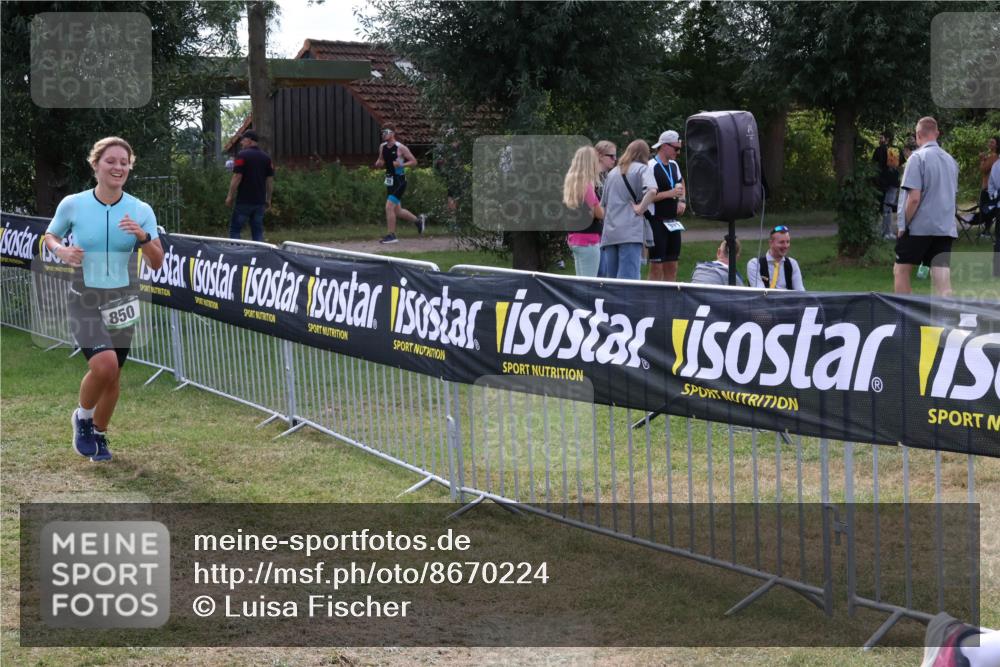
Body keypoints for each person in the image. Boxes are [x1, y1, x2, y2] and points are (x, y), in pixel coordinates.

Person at [43, 137, 165, 462]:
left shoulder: (141, 210)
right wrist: (62, 250)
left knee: (113, 375)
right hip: (85, 296)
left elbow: (157, 261)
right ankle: (82, 418)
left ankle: (99, 434)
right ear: (95, 164)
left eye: (124, 162)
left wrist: (143, 237)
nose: (118, 167)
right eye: (111, 161)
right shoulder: (74, 203)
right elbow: (50, 235)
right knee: (104, 364)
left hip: (122, 299)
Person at [893, 116, 959, 297]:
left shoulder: (917, 158)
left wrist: (903, 225)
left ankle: (905, 316)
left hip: (919, 228)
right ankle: (945, 319)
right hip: (945, 227)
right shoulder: (951, 161)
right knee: (942, 277)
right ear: (936, 133)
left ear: (917, 135)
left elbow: (914, 198)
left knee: (901, 270)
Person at [599, 139, 657, 280]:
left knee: (611, 280)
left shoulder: (612, 173)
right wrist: (641, 208)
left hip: (610, 233)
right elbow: (652, 190)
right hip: (630, 231)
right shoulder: (642, 169)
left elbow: (603, 205)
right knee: (629, 280)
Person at [646, 130, 686, 281]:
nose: (678, 152)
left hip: (673, 221)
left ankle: (668, 301)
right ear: (664, 146)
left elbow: (681, 182)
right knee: (656, 268)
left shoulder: (674, 165)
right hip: (656, 221)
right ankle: (651, 302)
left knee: (672, 266)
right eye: (676, 148)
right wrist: (670, 193)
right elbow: (647, 197)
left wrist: (682, 200)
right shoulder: (650, 166)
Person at [375, 127, 427, 244]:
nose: (384, 134)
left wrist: (401, 165)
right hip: (389, 180)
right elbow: (381, 161)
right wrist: (378, 163)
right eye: (382, 132)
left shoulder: (401, 147)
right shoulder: (382, 147)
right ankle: (418, 221)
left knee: (389, 207)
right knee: (397, 211)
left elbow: (414, 161)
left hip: (400, 180)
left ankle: (391, 235)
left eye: (386, 132)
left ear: (393, 133)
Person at [562, 146, 604, 277]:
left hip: (575, 238)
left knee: (581, 281)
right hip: (589, 239)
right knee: (589, 283)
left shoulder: (572, 183)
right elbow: (599, 213)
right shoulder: (587, 185)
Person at [225, 129, 274, 242]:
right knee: (257, 231)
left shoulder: (242, 156)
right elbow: (270, 181)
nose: (241, 142)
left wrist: (230, 196)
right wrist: (268, 199)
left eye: (243, 140)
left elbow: (237, 177)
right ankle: (258, 257)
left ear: (250, 140)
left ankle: (235, 255)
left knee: (235, 230)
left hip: (244, 201)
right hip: (259, 202)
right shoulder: (267, 158)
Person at [746, 225, 805, 290]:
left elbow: (800, 292)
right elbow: (760, 293)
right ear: (771, 243)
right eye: (781, 242)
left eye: (788, 242)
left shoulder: (792, 264)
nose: (785, 246)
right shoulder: (755, 264)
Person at [873, 132, 901, 240]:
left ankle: (885, 232)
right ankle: (886, 232)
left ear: (887, 139)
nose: (880, 140)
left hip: (883, 183)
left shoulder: (879, 150)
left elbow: (874, 165)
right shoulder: (895, 150)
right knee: (887, 208)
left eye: (881, 138)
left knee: (885, 208)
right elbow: (898, 165)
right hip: (892, 183)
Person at [978, 135, 999, 212]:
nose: (989, 143)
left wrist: (982, 160)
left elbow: (983, 169)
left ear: (997, 146)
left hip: (987, 188)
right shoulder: (994, 157)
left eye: (992, 142)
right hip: (992, 188)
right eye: (989, 142)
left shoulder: (993, 157)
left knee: (984, 211)